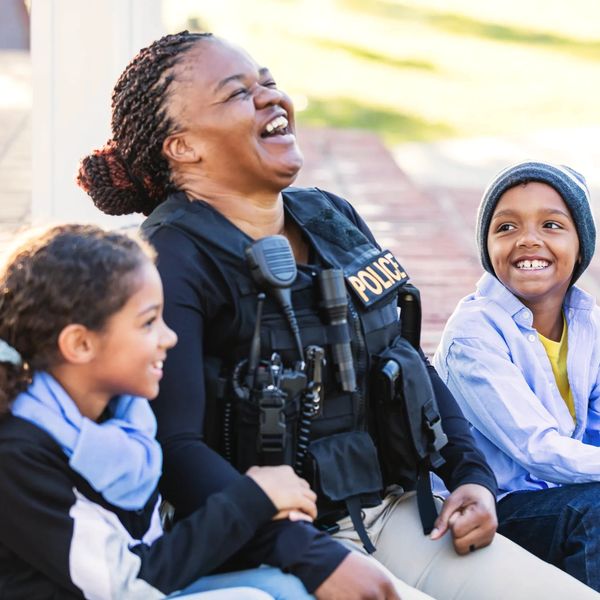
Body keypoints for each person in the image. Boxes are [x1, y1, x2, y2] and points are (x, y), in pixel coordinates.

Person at [78, 32, 599, 599]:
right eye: (237, 93)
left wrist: (471, 477)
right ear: (183, 147)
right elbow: (175, 448)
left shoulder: (331, 216)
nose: (270, 99)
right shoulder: (169, 260)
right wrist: (312, 557)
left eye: (269, 83)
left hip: (399, 513)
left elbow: (405, 359)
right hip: (273, 542)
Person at [0, 223, 318, 599]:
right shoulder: (17, 453)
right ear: (80, 343)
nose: (170, 337)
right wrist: (251, 500)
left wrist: (266, 511)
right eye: (149, 323)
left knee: (287, 586)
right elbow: (124, 584)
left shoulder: (123, 418)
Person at [433, 160, 600, 591]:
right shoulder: (473, 334)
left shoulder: (587, 324)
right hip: (493, 508)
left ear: (581, 245)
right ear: (487, 248)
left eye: (551, 225)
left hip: (561, 494)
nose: (529, 240)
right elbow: (536, 449)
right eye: (506, 228)